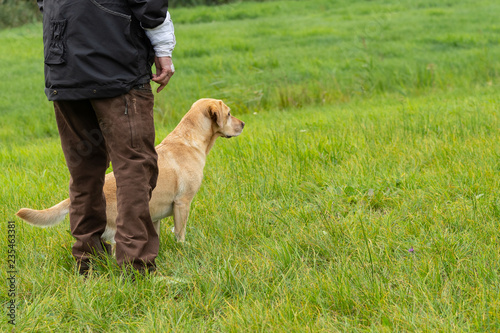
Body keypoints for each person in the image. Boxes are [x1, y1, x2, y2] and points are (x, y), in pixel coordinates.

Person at [37, 0, 176, 274]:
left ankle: (87, 260)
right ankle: (136, 265)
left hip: (63, 68)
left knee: (84, 170)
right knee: (135, 167)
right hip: (115, 68)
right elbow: (150, 6)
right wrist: (163, 48)